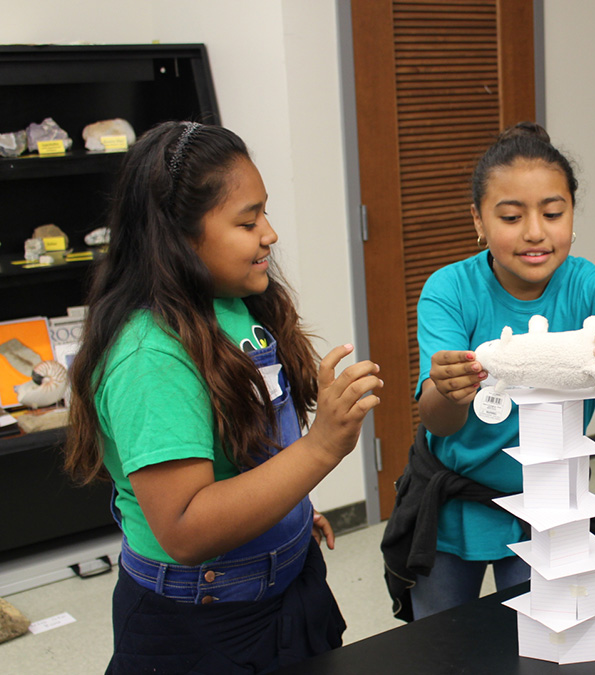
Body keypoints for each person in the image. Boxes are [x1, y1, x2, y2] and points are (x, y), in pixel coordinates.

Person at [63, 121, 382, 673]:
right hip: (203, 623)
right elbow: (185, 528)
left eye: (265, 213)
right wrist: (320, 448)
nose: (270, 234)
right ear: (180, 236)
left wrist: (289, 513)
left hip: (282, 584)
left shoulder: (232, 303)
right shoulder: (149, 357)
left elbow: (245, 454)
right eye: (247, 220)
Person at [398, 122, 595, 620]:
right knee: (442, 645)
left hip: (551, 505)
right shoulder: (450, 290)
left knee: (550, 638)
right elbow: (437, 420)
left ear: (572, 214)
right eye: (512, 216)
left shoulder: (592, 286)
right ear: (478, 220)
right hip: (454, 505)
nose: (535, 232)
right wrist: (449, 391)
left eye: (553, 213)